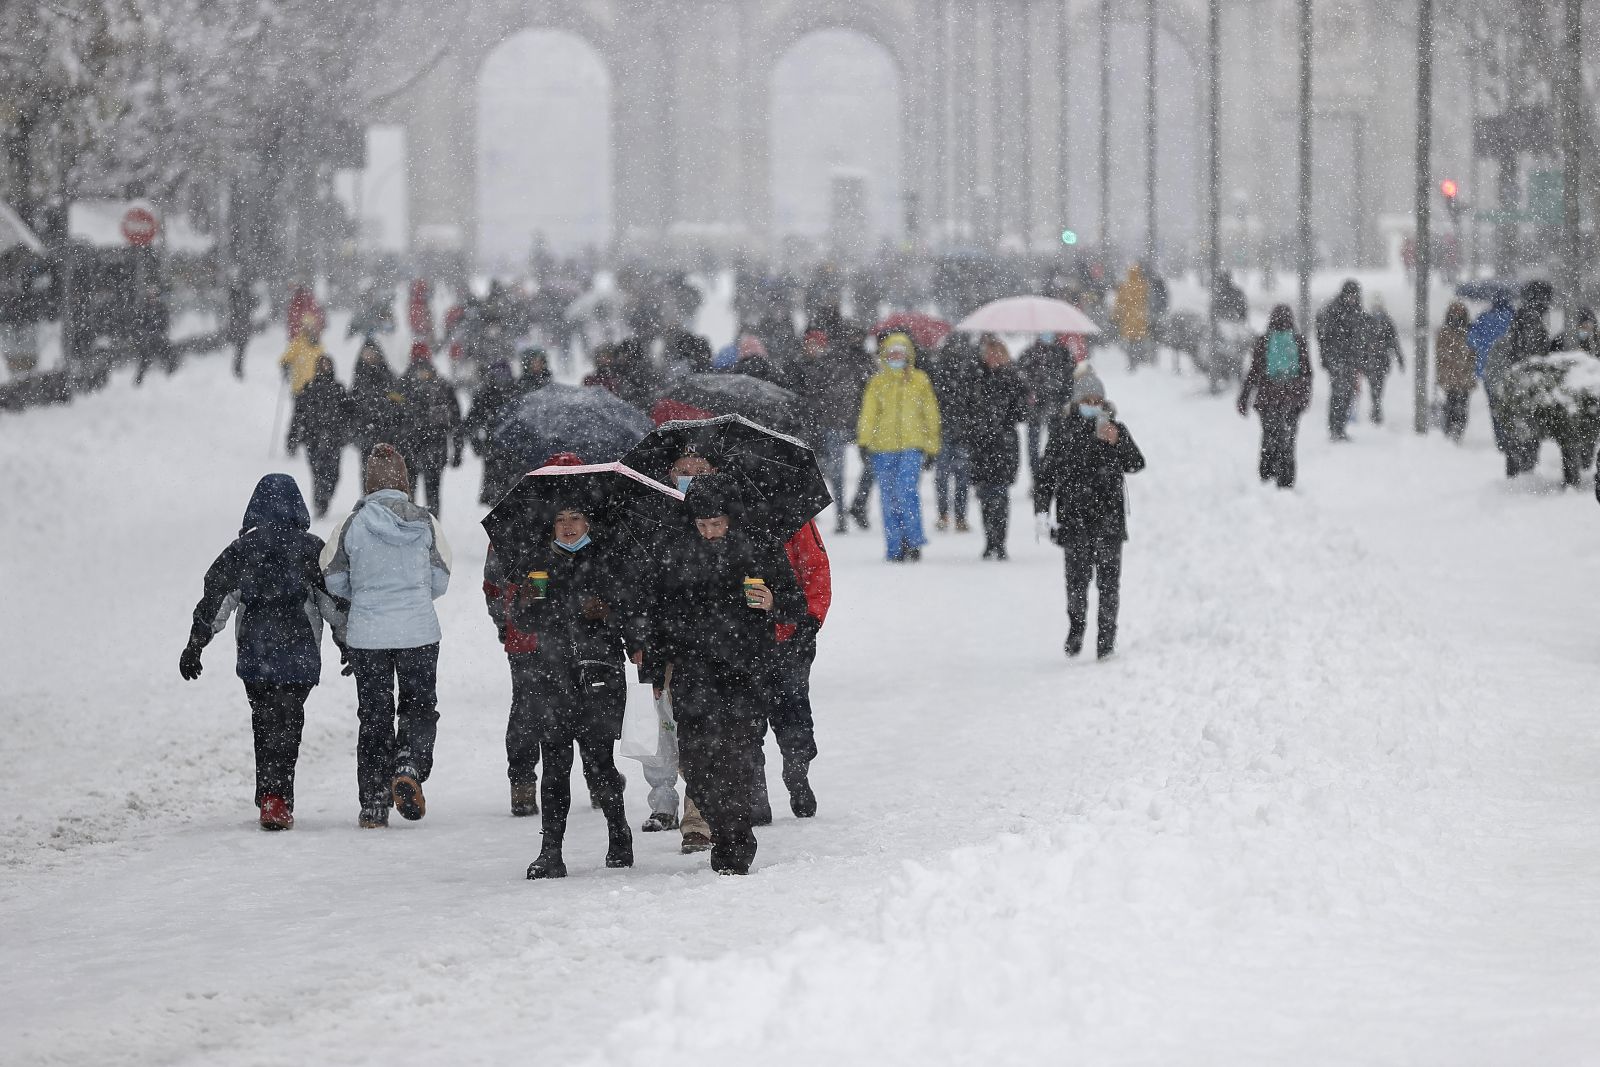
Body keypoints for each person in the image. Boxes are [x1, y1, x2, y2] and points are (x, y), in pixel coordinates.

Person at [643, 474, 806, 875]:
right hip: (693, 673)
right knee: (697, 765)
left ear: (730, 518)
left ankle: (733, 845)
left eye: (717, 523)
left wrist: (773, 602)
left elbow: (796, 605)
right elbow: (659, 614)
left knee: (736, 758)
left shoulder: (760, 548)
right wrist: (654, 671)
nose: (710, 532)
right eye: (702, 525)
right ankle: (723, 826)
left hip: (745, 672)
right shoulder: (675, 554)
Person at [178, 475, 347, 830]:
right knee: (289, 721)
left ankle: (270, 794)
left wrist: (196, 643)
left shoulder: (242, 551)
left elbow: (216, 600)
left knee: (264, 720)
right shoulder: (312, 550)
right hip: (300, 658)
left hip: (256, 656)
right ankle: (278, 796)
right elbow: (333, 603)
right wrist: (348, 644)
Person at [321, 445, 452, 828]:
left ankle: (374, 803)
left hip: (367, 635)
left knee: (374, 715)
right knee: (419, 707)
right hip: (418, 633)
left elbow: (332, 577)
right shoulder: (426, 521)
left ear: (367, 485)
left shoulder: (351, 524)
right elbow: (441, 580)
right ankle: (409, 764)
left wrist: (365, 595)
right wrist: (410, 594)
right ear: (406, 484)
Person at [514, 503, 639, 879]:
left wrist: (608, 611)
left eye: (575, 519)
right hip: (550, 677)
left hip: (598, 673)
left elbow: (633, 611)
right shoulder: (536, 562)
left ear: (589, 523)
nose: (568, 527)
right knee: (554, 766)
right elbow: (522, 620)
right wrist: (526, 603)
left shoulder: (609, 559)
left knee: (600, 762)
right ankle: (550, 851)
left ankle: (619, 835)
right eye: (559, 520)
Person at [1032, 365, 1146, 660]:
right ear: (1076, 402)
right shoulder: (1061, 431)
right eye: (1087, 401)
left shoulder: (1115, 429)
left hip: (1109, 519)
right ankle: (1076, 629)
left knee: (1109, 584)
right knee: (1076, 583)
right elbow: (1045, 475)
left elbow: (1136, 464)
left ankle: (1106, 640)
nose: (1092, 407)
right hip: (1074, 518)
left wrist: (1118, 442)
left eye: (1097, 402)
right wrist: (1041, 512)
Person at [856, 332, 941, 562]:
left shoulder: (920, 380)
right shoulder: (877, 382)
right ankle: (895, 545)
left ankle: (913, 541)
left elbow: (930, 414)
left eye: (900, 354)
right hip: (882, 448)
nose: (895, 358)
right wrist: (864, 442)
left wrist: (932, 446)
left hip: (912, 445)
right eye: (891, 353)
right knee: (888, 497)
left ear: (908, 356)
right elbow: (868, 414)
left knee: (907, 492)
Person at [787, 328, 863, 534]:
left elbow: (842, 396)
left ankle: (839, 517)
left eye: (816, 344)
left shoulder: (834, 366)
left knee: (836, 474)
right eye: (809, 344)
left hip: (830, 426)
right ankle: (811, 515)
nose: (812, 349)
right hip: (810, 428)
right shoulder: (797, 366)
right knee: (810, 473)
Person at [965, 335, 1030, 559]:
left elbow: (1022, 412)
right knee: (984, 495)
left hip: (1004, 443)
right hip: (980, 444)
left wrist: (1017, 393)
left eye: (997, 354)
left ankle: (999, 541)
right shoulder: (976, 376)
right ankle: (989, 540)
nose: (993, 358)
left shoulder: (1013, 378)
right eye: (989, 354)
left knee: (1000, 495)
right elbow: (967, 407)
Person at [1237, 305, 1313, 489]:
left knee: (1269, 437)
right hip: (1291, 399)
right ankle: (1286, 479)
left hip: (1268, 399)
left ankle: (1267, 474)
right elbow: (1307, 372)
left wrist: (1244, 397)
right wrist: (1303, 398)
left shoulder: (1264, 341)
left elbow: (1254, 372)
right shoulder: (1298, 341)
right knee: (1288, 439)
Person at [397, 342, 464, 516]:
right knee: (430, 494)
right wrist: (458, 448)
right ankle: (432, 529)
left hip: (414, 447)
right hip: (430, 447)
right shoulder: (441, 385)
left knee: (410, 494)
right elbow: (456, 420)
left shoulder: (403, 384)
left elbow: (391, 419)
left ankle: (415, 529)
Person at [285, 354, 350, 518]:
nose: (325, 368)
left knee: (334, 473)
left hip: (334, 439)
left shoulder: (338, 389)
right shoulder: (308, 389)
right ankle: (320, 502)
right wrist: (292, 438)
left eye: (328, 365)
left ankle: (326, 496)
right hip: (313, 439)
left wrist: (347, 434)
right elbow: (298, 415)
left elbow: (348, 414)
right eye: (322, 365)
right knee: (317, 472)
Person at [926, 337, 975, 533]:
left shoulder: (938, 372)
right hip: (957, 431)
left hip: (945, 430)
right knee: (959, 478)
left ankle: (945, 515)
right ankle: (959, 517)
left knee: (943, 477)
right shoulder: (969, 372)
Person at [464, 357, 522, 505]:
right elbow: (471, 423)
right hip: (506, 450)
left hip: (498, 450)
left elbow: (471, 423)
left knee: (499, 498)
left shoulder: (485, 392)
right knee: (511, 496)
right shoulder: (516, 391)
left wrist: (477, 444)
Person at [1315, 280, 1365, 441]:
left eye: (1354, 295)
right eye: (1350, 295)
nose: (1352, 298)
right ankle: (1334, 428)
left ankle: (1340, 427)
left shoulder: (1356, 311)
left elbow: (1360, 336)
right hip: (1336, 359)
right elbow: (1324, 336)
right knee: (1338, 393)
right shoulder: (1333, 310)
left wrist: (1360, 356)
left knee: (1348, 394)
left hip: (1349, 360)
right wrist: (1327, 357)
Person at [349, 339, 403, 458]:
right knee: (369, 472)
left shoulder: (388, 375)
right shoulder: (359, 378)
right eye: (366, 352)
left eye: (372, 352)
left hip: (388, 434)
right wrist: (358, 432)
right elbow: (352, 406)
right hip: (367, 434)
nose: (369, 356)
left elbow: (399, 400)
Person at [1435, 302, 1476, 443]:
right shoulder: (1445, 332)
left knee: (1462, 406)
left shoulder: (1469, 331)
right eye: (1454, 312)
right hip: (1451, 376)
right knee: (1451, 404)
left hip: (1463, 376)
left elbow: (1473, 354)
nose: (1456, 315)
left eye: (1459, 312)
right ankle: (1451, 430)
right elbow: (1440, 356)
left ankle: (1457, 430)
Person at [1361, 295, 1406, 424]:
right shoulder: (1367, 321)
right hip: (1370, 361)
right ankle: (1376, 408)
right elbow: (1361, 342)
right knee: (1373, 386)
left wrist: (1400, 358)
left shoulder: (1387, 322)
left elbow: (1394, 342)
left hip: (1382, 361)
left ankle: (1376, 406)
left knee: (1379, 386)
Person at [131, 281, 174, 385]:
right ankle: (139, 378)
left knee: (167, 352)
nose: (152, 297)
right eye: (150, 294)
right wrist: (146, 333)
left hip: (159, 336)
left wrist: (158, 332)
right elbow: (140, 323)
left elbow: (165, 323)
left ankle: (171, 374)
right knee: (145, 355)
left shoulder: (162, 308)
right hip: (148, 338)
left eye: (154, 294)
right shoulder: (144, 308)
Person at [1112, 265, 1153, 372]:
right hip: (1140, 318)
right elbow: (1148, 300)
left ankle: (1131, 362)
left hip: (1128, 319)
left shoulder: (1124, 286)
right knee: (1139, 341)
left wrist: (1116, 316)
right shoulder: (1143, 286)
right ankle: (1138, 361)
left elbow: (1119, 303)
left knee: (1130, 342)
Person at [278, 320, 326, 397]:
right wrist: (285, 366)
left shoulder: (320, 347)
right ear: (304, 328)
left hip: (316, 389)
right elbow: (285, 359)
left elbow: (324, 365)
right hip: (299, 388)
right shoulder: (297, 343)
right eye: (308, 327)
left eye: (313, 327)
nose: (311, 330)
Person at [227, 274, 257, 380]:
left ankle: (238, 368)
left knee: (241, 349)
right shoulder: (239, 296)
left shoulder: (238, 295)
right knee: (240, 349)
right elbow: (250, 307)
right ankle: (238, 369)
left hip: (241, 327)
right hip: (240, 327)